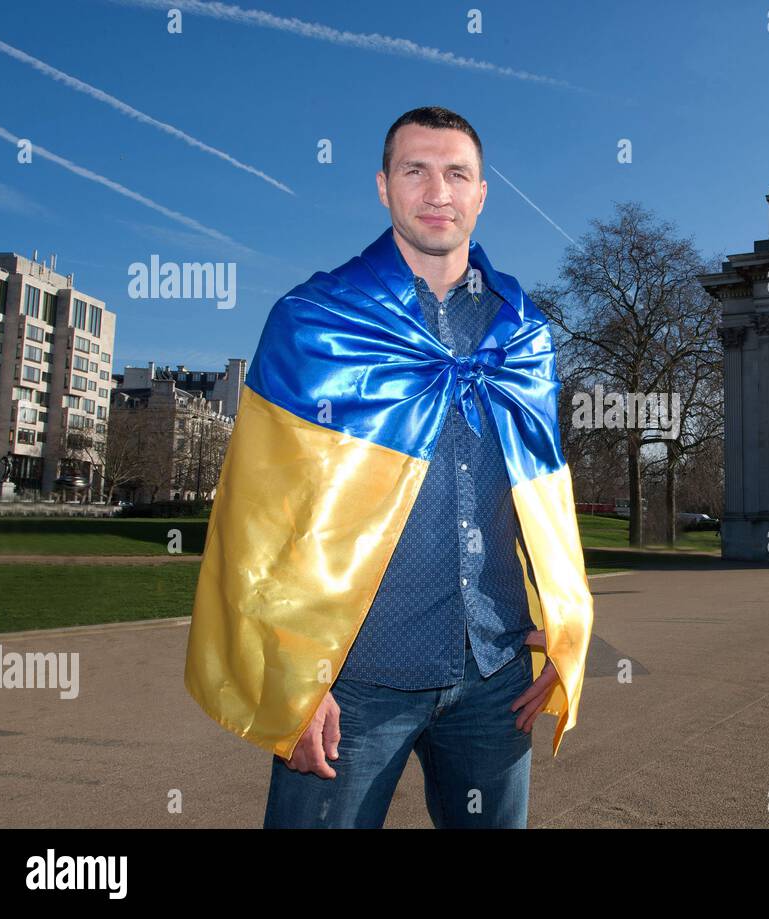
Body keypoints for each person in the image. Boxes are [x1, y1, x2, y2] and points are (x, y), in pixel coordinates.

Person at [183, 106, 594, 829]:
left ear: (482, 193)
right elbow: (259, 514)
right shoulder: (313, 319)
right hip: (352, 680)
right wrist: (293, 670)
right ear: (383, 187)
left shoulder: (524, 333)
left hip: (495, 675)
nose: (438, 190)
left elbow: (547, 497)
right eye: (416, 170)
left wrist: (567, 628)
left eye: (456, 173)